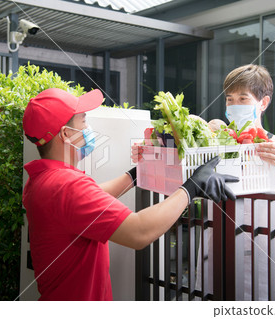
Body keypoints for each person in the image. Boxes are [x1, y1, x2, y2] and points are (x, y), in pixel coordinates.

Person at [21, 88, 238, 301]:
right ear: (66, 134)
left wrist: (138, 174)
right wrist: (192, 189)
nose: (88, 128)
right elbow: (139, 231)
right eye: (84, 121)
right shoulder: (66, 185)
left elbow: (90, 199)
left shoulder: (42, 180)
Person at [196, 64, 275, 300]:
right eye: (229, 99)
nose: (234, 105)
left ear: (263, 103)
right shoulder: (215, 143)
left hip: (263, 247)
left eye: (243, 98)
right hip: (219, 242)